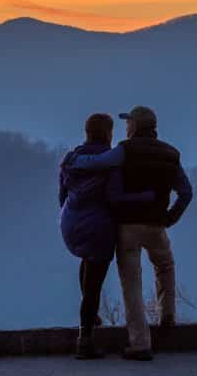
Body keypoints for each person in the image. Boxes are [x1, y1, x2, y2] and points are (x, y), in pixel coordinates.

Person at [71, 104, 192, 360]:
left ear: (135, 126)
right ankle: (167, 316)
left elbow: (98, 163)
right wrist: (170, 217)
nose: (126, 127)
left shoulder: (124, 151)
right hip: (157, 225)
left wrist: (75, 160)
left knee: (131, 284)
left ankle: (139, 344)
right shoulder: (171, 153)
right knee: (165, 266)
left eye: (128, 123)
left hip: (128, 227)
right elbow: (186, 192)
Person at [58, 112, 154, 359]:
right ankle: (85, 340)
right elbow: (115, 198)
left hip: (70, 223)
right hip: (97, 227)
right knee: (94, 285)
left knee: (86, 265)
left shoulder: (71, 158)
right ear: (108, 133)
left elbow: (62, 194)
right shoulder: (110, 163)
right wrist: (144, 197)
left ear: (87, 132)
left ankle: (92, 319)